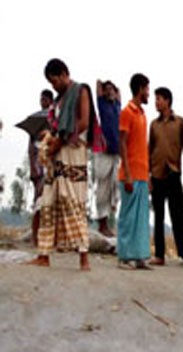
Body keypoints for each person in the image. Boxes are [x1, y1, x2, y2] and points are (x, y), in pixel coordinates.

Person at [28, 59, 98, 271]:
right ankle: (43, 254)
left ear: (64, 74)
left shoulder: (80, 90)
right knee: (47, 201)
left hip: (73, 153)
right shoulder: (58, 101)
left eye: (54, 81)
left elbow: (84, 122)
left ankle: (83, 257)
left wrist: (62, 138)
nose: (53, 86)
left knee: (71, 200)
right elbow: (56, 124)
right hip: (57, 155)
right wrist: (51, 136)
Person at [148, 86, 183, 266]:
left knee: (178, 216)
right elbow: (149, 150)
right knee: (158, 215)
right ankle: (160, 255)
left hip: (174, 173)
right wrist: (148, 175)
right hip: (157, 174)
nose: (156, 102)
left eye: (159, 99)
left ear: (167, 101)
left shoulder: (180, 123)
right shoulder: (154, 125)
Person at [116, 73, 152, 270]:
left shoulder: (142, 114)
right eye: (147, 89)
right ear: (140, 89)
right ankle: (124, 256)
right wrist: (128, 173)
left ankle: (139, 255)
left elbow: (142, 144)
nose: (148, 93)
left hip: (142, 173)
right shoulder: (127, 112)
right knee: (128, 217)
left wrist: (148, 175)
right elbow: (122, 142)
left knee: (141, 219)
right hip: (130, 172)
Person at [93, 80, 120, 237]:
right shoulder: (102, 104)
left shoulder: (117, 105)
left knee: (116, 183)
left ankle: (110, 220)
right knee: (102, 186)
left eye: (112, 90)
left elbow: (119, 92)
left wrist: (114, 91)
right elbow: (97, 84)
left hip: (117, 151)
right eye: (107, 90)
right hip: (104, 150)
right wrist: (104, 86)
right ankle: (102, 224)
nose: (110, 92)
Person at [28, 89, 54, 246]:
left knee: (51, 204)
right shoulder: (36, 124)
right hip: (40, 169)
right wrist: (34, 169)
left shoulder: (55, 121)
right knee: (38, 201)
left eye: (45, 100)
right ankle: (34, 235)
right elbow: (32, 149)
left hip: (51, 166)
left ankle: (48, 235)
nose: (43, 102)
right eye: (41, 99)